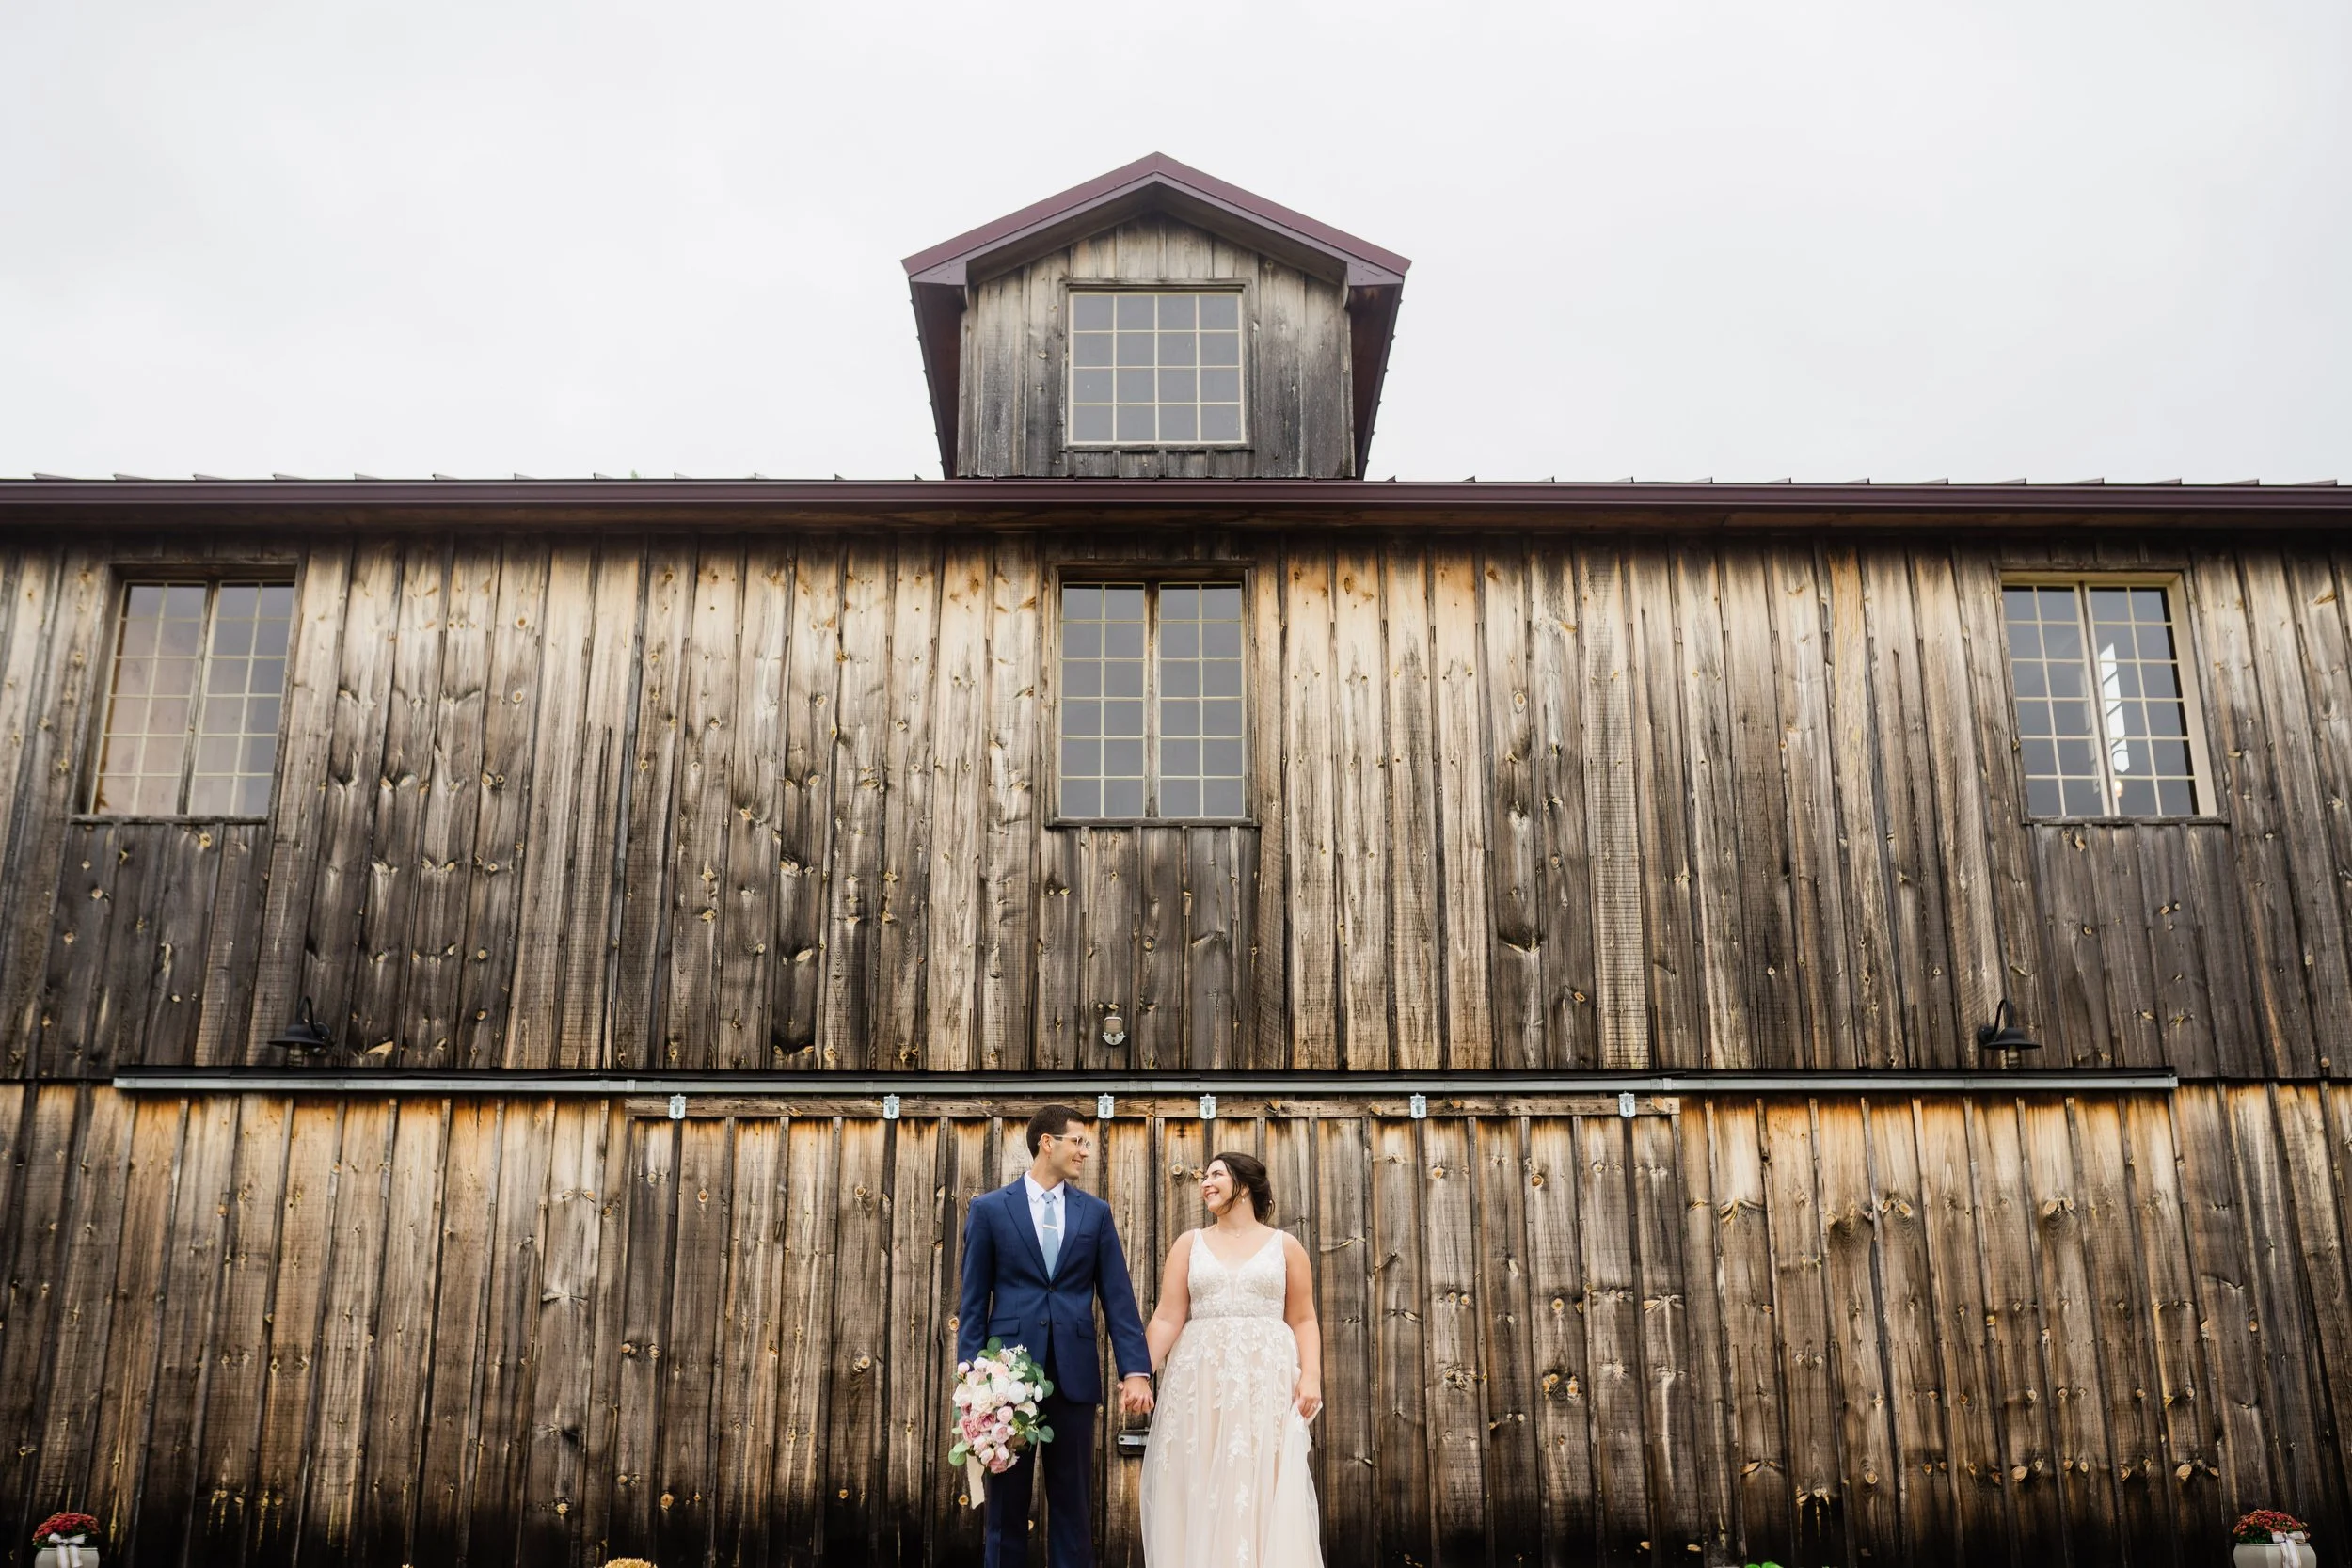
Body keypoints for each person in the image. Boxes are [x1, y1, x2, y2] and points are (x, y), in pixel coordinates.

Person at [956, 1104, 1154, 1568]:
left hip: (1074, 1379)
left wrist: (1136, 1370)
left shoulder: (1095, 1214)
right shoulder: (990, 1210)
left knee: (1073, 1507)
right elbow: (973, 1303)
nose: (1084, 1151)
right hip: (1005, 1384)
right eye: (1077, 1141)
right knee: (1004, 1509)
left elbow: (1118, 1297)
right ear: (1048, 1143)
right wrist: (971, 1383)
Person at [1139, 1151, 1325, 1567]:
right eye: (1204, 1177)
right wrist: (1138, 1373)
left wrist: (1310, 1375)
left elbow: (1303, 1318)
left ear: (1245, 1186)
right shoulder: (1189, 1244)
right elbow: (1168, 1316)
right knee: (1202, 1475)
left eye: (1216, 1175)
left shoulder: (1285, 1246)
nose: (1205, 1183)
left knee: (1263, 1477)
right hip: (1202, 1382)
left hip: (1265, 1380)